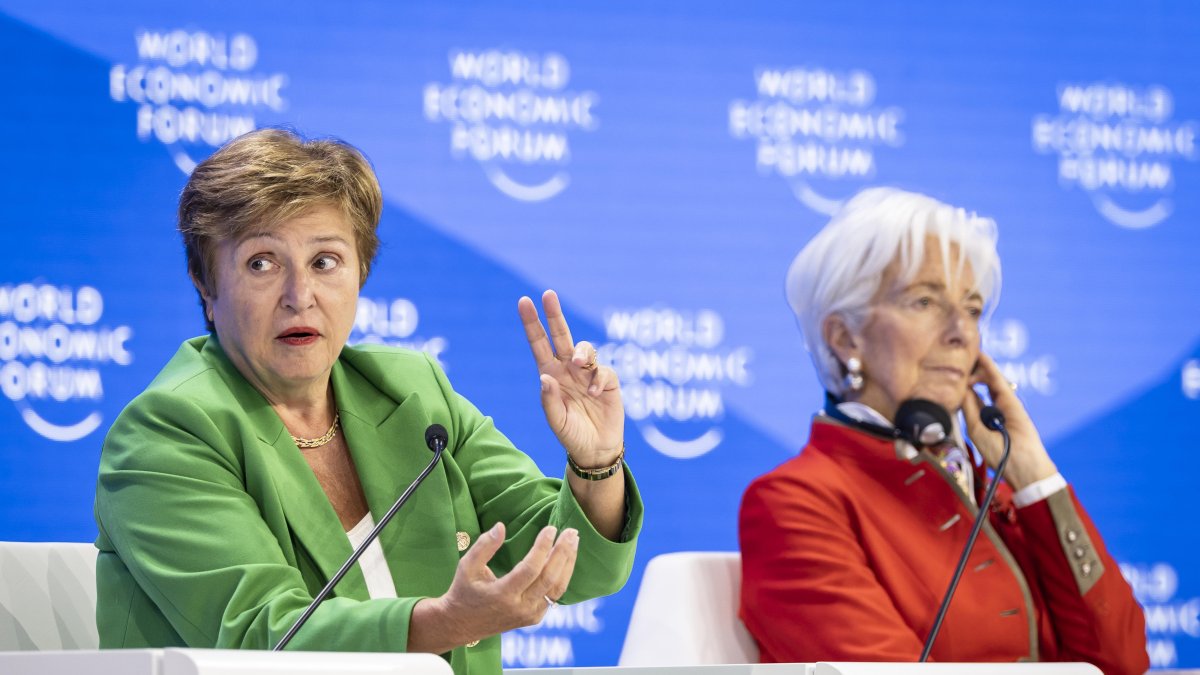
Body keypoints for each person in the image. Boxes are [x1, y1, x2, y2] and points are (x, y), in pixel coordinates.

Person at [93, 128, 642, 675]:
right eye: (262, 262)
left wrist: (596, 463)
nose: (299, 296)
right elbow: (261, 635)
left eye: (325, 261)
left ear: (360, 273)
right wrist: (446, 622)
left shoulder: (413, 393)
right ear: (206, 285)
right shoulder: (165, 432)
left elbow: (576, 570)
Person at [738, 187, 1148, 672]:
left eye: (973, 309)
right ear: (845, 337)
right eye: (926, 301)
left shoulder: (995, 490)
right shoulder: (795, 501)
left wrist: (1034, 475)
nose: (961, 332)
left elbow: (1122, 663)